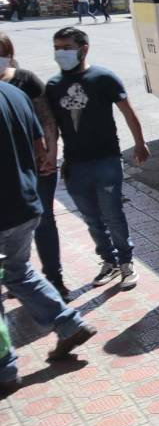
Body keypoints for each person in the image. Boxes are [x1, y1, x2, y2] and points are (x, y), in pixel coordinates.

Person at [0, 82, 98, 397]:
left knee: (18, 272)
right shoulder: (13, 94)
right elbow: (41, 146)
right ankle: (69, 324)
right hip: (24, 203)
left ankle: (4, 368)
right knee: (19, 271)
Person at [45, 27, 149, 290]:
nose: (61, 53)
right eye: (58, 47)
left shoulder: (103, 77)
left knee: (113, 213)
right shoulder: (54, 86)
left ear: (84, 48)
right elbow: (52, 128)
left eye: (67, 47)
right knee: (91, 218)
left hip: (107, 160)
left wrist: (139, 143)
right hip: (75, 164)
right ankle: (109, 261)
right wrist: (51, 157)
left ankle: (126, 262)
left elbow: (127, 111)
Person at [0, 32, 69, 298]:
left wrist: (50, 156)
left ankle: (54, 277)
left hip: (33, 165)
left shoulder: (24, 80)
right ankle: (18, 279)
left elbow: (46, 120)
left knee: (43, 220)